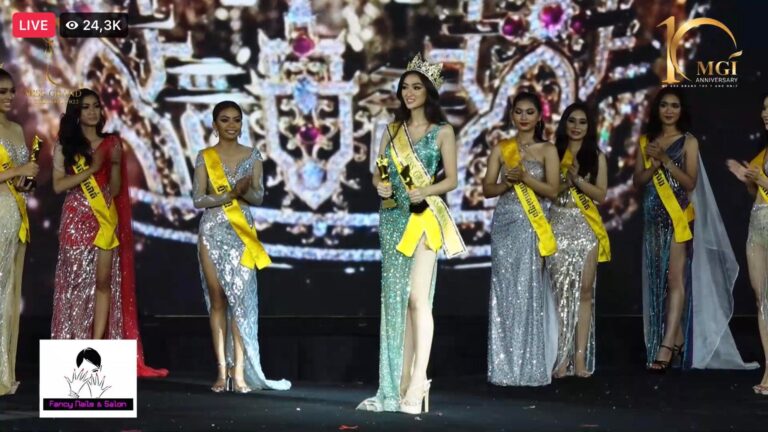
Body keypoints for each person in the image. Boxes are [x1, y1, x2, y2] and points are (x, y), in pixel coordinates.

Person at [357, 54, 465, 413]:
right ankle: (396, 385)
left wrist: (427, 191)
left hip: (423, 217)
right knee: (397, 302)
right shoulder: (391, 131)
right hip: (392, 219)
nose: (409, 93)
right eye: (405, 87)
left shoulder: (443, 132)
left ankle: (418, 382)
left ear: (429, 91)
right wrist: (380, 185)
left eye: (416, 87)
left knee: (419, 299)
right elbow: (379, 172)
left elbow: (452, 180)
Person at [634, 87, 753, 371]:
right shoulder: (646, 141)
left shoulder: (688, 142)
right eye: (664, 105)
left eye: (674, 105)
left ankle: (666, 346)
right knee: (658, 282)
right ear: (657, 109)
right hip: (653, 218)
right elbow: (638, 180)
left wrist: (665, 160)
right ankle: (674, 339)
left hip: (678, 218)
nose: (669, 110)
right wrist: (654, 164)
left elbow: (690, 183)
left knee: (676, 280)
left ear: (681, 110)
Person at [51, 88, 167, 378]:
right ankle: (74, 346)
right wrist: (92, 168)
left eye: (96, 106)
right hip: (75, 217)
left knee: (104, 284)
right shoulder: (65, 145)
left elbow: (115, 190)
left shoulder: (111, 143)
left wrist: (114, 164)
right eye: (86, 107)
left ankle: (95, 346)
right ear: (76, 113)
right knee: (75, 285)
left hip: (104, 217)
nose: (92, 112)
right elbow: (58, 185)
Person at [193, 100, 290, 393]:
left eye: (236, 120)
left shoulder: (252, 155)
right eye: (225, 120)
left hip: (241, 233)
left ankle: (239, 374)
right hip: (212, 232)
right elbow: (198, 199)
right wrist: (230, 194)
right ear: (215, 124)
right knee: (218, 300)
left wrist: (245, 192)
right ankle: (221, 372)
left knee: (239, 302)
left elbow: (258, 197)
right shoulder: (205, 156)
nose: (231, 125)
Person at [484, 91, 559, 386]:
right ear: (512, 115)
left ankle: (529, 368)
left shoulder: (548, 150)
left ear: (539, 116)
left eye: (530, 112)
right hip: (505, 224)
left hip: (532, 225)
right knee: (504, 291)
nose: (524, 117)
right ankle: (503, 369)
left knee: (528, 291)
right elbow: (487, 189)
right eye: (518, 111)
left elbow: (553, 190)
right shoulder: (502, 148)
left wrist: (527, 178)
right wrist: (506, 182)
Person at [548, 102, 609, 378]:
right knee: (561, 293)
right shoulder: (553, 153)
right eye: (572, 121)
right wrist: (565, 181)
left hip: (585, 227)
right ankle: (561, 358)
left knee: (584, 292)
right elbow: (548, 191)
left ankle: (580, 358)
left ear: (589, 126)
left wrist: (578, 181)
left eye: (582, 122)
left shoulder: (596, 156)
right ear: (564, 123)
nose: (576, 126)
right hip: (558, 224)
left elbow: (601, 195)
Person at [0, 67, 38, 396]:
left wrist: (25, 180)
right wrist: (19, 170)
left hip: (16, 213)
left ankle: (4, 371)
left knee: (10, 292)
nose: (9, 96)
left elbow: (20, 178)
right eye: (2, 91)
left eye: (11, 90)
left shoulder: (16, 128)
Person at [726, 93, 768, 393]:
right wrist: (748, 181)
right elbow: (758, 195)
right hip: (757, 226)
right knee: (762, 299)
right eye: (764, 107)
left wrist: (762, 181)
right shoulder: (762, 152)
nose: (765, 113)